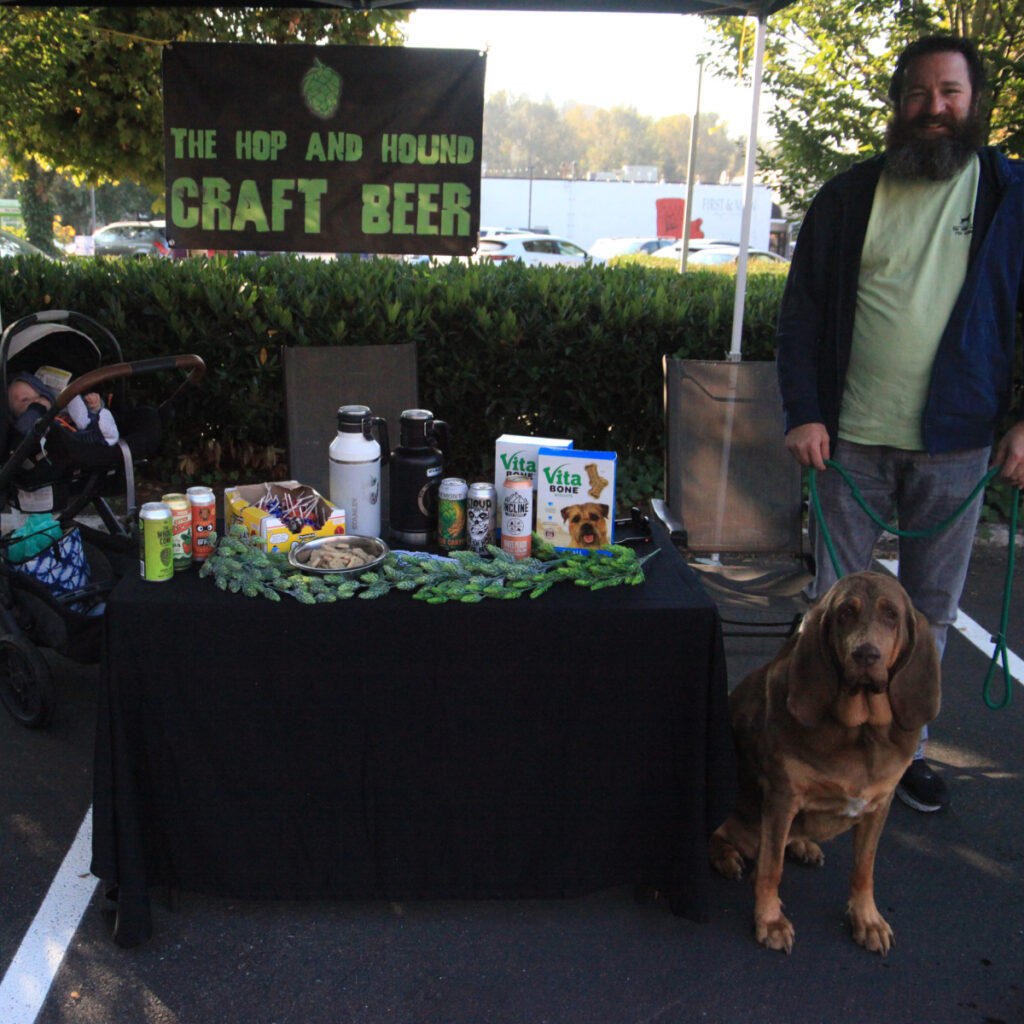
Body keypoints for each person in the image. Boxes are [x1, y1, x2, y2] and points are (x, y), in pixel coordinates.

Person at [776, 34, 1024, 813]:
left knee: (931, 612)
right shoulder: (849, 196)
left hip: (958, 444)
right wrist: (804, 412)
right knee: (834, 606)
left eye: (950, 93)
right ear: (897, 104)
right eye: (918, 93)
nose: (934, 108)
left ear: (975, 102)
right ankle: (824, 745)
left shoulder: (1011, 199)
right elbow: (801, 312)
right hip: (847, 441)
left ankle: (902, 751)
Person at [8, 372, 120, 446]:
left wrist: (94, 405)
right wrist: (35, 409)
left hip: (86, 429)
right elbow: (24, 426)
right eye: (25, 399)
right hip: (70, 443)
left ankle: (102, 429)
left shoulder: (62, 409)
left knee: (78, 401)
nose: (36, 400)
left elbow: (83, 411)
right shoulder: (26, 425)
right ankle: (101, 435)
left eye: (41, 395)